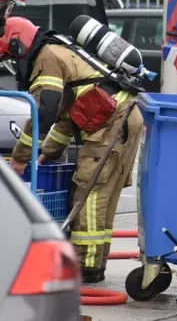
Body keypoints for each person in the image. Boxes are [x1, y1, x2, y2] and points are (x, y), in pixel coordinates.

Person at [3, 17, 144, 284]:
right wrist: (50, 153)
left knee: (89, 193)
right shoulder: (59, 50)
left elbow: (44, 112)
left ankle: (87, 267)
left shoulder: (48, 58)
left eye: (11, 56)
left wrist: (20, 159)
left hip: (111, 123)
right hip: (123, 118)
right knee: (103, 194)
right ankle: (95, 262)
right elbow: (67, 116)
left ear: (18, 44)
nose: (14, 63)